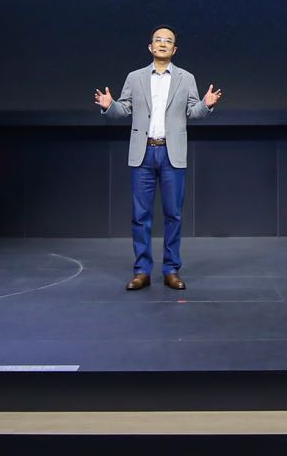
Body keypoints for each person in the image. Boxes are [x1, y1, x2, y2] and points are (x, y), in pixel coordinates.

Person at [94, 26, 222, 291]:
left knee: (173, 214)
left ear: (174, 49)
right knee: (140, 215)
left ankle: (171, 270)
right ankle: (142, 271)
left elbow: (193, 111)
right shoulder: (135, 77)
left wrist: (206, 105)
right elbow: (123, 109)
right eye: (158, 40)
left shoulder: (186, 78)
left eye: (168, 41)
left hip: (171, 153)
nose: (163, 44)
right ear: (150, 47)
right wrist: (110, 106)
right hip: (142, 153)